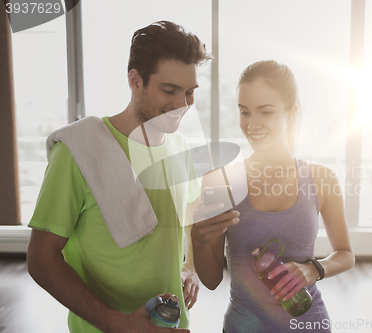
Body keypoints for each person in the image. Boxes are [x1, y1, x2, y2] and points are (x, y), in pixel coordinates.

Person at [26, 21, 226, 333]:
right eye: (169, 90)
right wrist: (117, 324)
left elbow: (188, 219)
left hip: (173, 325)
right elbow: (40, 259)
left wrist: (189, 268)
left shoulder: (180, 147)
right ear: (135, 81)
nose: (182, 105)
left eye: (189, 92)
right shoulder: (78, 152)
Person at [190, 60, 355, 332]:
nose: (251, 124)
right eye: (244, 112)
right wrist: (198, 238)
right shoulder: (221, 181)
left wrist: (314, 269)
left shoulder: (322, 179)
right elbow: (211, 280)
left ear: (291, 113)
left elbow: (346, 254)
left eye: (265, 112)